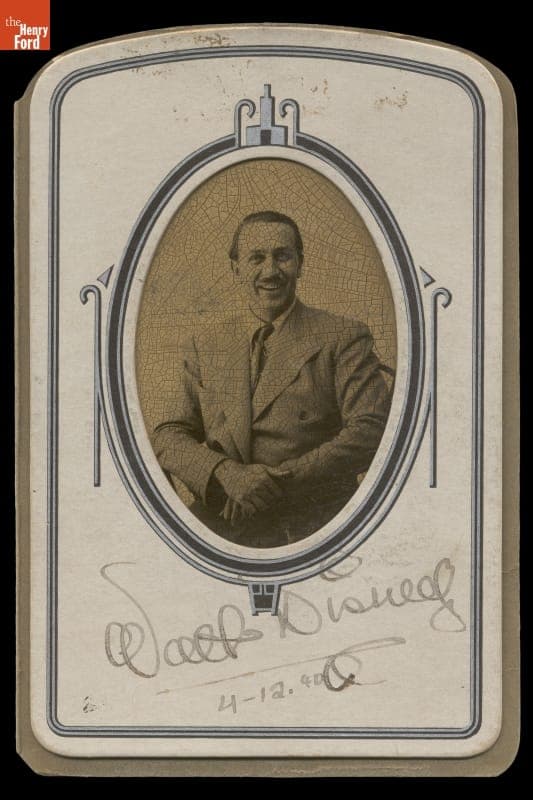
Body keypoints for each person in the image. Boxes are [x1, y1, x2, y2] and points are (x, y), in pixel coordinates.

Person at [151, 211, 391, 548]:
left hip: (313, 523)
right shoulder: (205, 344)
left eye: (282, 256)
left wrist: (270, 483)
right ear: (235, 268)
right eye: (256, 258)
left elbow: (371, 431)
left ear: (300, 263)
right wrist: (227, 474)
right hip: (220, 521)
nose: (270, 271)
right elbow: (167, 435)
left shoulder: (343, 336)